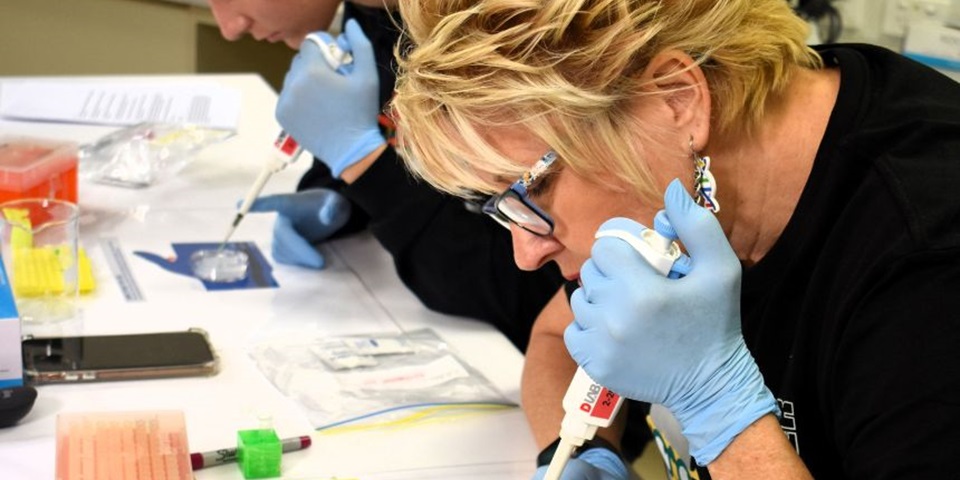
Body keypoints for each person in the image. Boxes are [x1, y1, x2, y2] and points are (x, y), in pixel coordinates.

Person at [390, 0, 960, 478]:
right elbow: (556, 334)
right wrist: (582, 453)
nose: (525, 252)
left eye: (530, 193)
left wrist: (722, 410)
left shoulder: (927, 261)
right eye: (498, 210)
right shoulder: (679, 196)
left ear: (675, 99)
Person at [205, 0, 565, 351]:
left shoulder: (501, 26)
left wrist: (364, 167)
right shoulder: (375, 14)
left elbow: (530, 289)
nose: (229, 28)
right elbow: (387, 140)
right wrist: (339, 198)